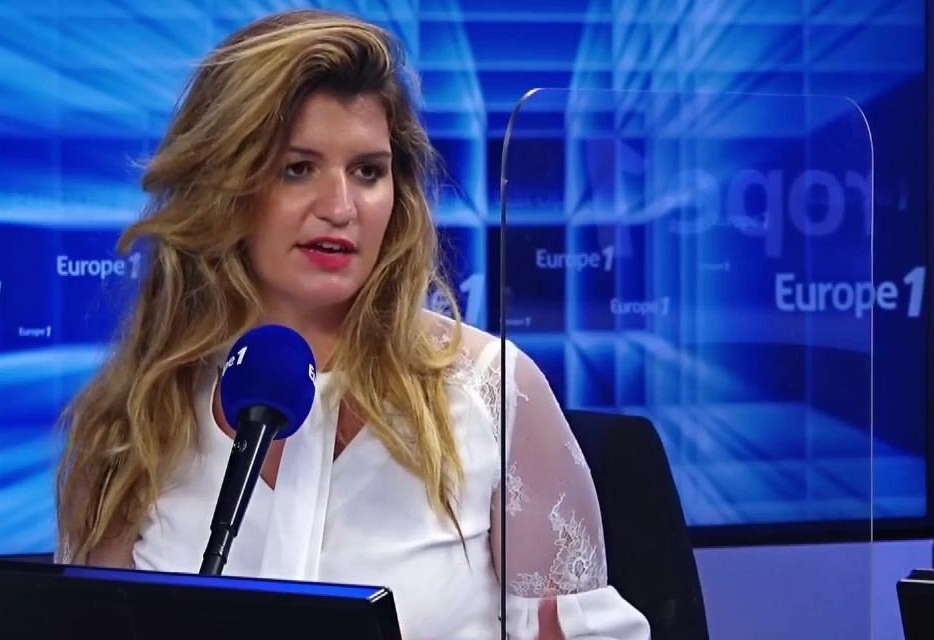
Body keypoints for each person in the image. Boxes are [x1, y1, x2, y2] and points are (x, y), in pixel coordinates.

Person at [56, 9, 649, 640]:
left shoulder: (493, 392)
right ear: (224, 185)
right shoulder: (136, 418)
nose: (340, 208)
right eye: (297, 168)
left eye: (368, 171)